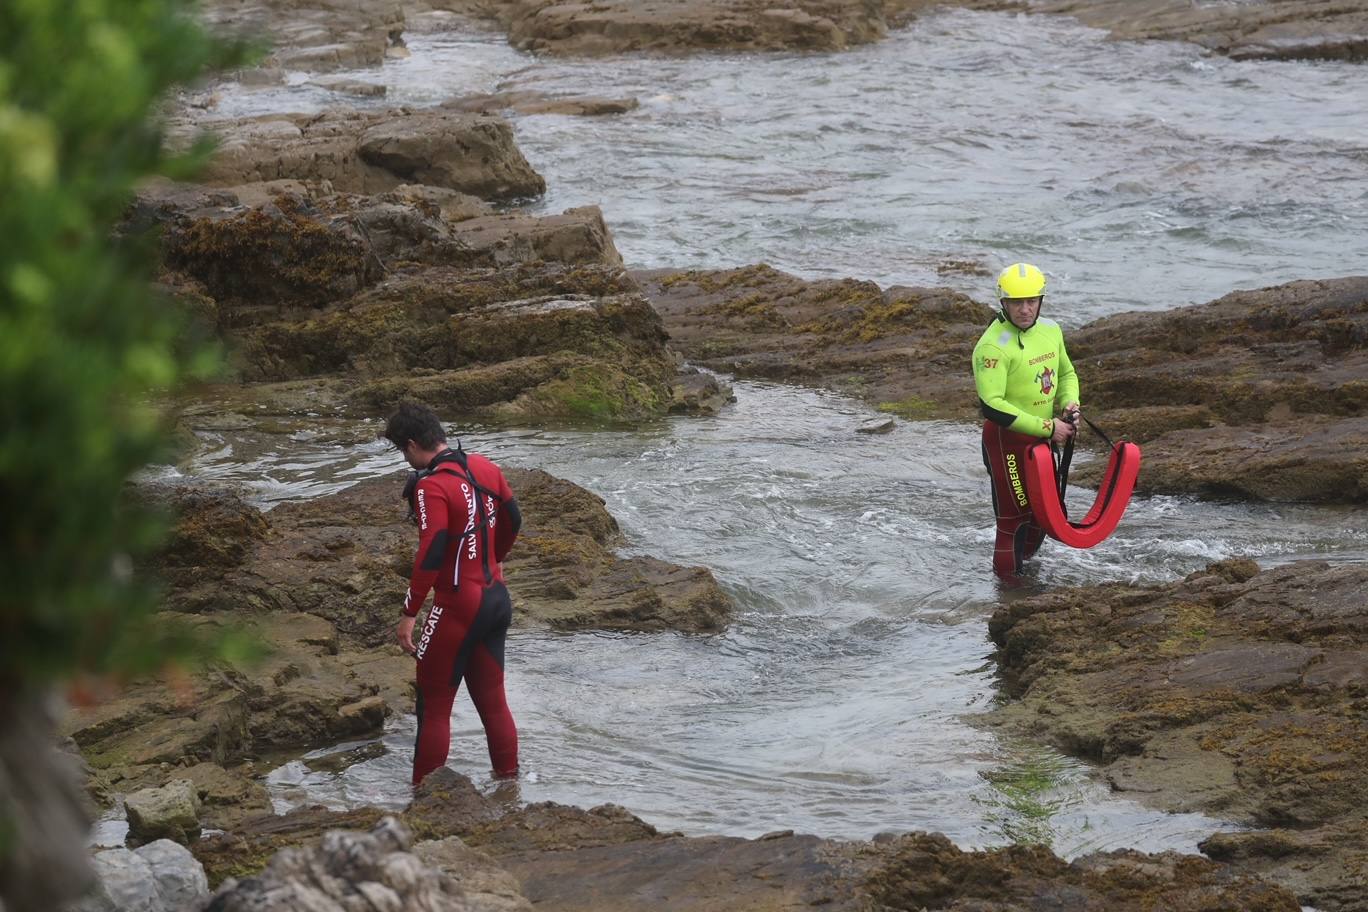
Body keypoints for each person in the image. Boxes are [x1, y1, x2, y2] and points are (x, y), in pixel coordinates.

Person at [382, 402, 523, 786]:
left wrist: (410, 611)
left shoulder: (431, 486)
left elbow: (433, 549)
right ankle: (509, 787)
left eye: (401, 450)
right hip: (496, 599)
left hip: (458, 607)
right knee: (493, 702)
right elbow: (514, 518)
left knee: (434, 707)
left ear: (411, 444)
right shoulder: (485, 467)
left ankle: (424, 798)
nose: (404, 458)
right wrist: (495, 559)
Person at [971, 263, 1081, 583]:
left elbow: (1066, 374)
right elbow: (993, 406)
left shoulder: (1051, 330)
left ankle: (1026, 583)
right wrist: (1049, 428)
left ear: (1041, 300)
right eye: (1017, 302)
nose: (1025, 309)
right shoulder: (992, 346)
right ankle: (1007, 594)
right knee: (1014, 520)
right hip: (1007, 441)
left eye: (1032, 300)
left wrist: (1069, 403)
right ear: (1002, 303)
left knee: (1042, 517)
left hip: (1042, 439)